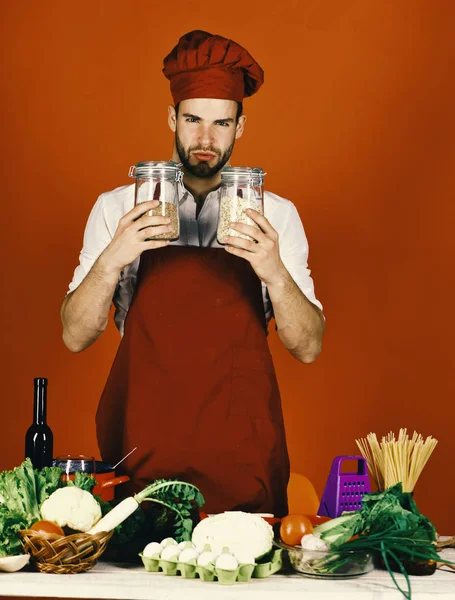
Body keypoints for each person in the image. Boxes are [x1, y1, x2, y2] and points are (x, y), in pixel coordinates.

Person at [61, 30, 324, 517]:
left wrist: (274, 273)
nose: (206, 140)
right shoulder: (120, 207)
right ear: (172, 118)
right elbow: (75, 337)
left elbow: (307, 347)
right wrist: (112, 258)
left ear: (240, 127)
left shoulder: (276, 215)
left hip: (242, 452)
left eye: (221, 123)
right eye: (193, 120)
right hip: (144, 446)